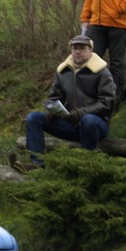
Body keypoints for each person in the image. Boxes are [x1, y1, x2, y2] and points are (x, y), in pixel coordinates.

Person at [13, 35, 116, 171]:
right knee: (33, 118)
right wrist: (51, 110)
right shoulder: (63, 72)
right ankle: (36, 164)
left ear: (91, 50)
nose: (77, 52)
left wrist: (80, 113)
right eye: (75, 48)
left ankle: (86, 164)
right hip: (71, 124)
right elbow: (53, 97)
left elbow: (107, 103)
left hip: (96, 126)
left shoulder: (102, 72)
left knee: (88, 120)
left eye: (82, 48)